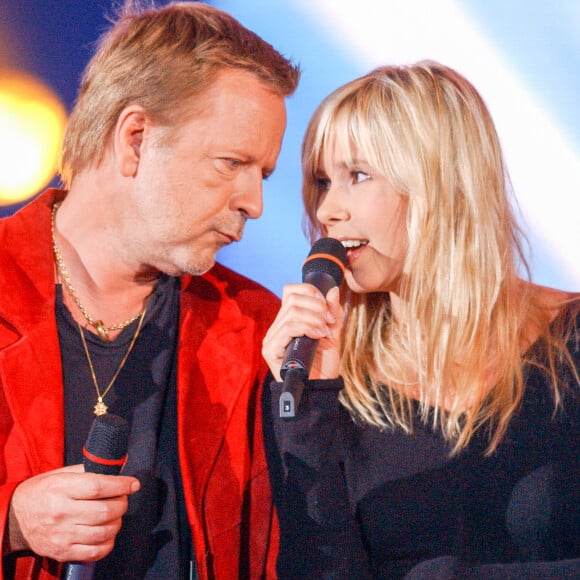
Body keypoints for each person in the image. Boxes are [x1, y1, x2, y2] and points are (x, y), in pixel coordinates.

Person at [0, 1, 299, 578]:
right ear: (135, 138)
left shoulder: (256, 330)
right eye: (231, 162)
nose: (253, 203)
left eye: (261, 174)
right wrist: (11, 520)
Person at [262, 60, 579, 578]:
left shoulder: (570, 337)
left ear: (443, 184)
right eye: (321, 181)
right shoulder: (320, 377)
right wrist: (305, 415)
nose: (326, 210)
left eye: (357, 176)